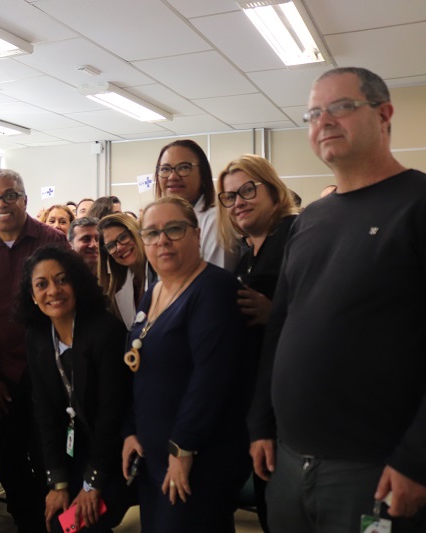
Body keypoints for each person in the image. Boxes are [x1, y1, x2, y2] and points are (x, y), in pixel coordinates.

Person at [249, 67, 426, 532]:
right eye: (313, 113)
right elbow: (280, 327)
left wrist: (417, 458)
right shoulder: (310, 220)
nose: (323, 121)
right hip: (288, 460)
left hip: (376, 467)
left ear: (384, 115)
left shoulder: (418, 205)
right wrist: (260, 422)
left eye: (341, 107)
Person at [121, 197, 250, 532]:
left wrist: (183, 448)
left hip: (196, 457)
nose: (162, 240)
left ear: (196, 234)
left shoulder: (215, 288)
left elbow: (211, 379)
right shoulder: (154, 290)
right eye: (151, 233)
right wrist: (130, 430)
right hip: (153, 453)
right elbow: (139, 370)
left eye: (174, 229)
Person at [0, 168, 71, 531]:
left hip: (54, 373)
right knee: (9, 460)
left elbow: (73, 308)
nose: (2, 204)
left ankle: (61, 525)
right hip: (6, 378)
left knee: (54, 460)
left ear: (25, 200)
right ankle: (29, 524)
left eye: (10, 195)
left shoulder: (54, 242)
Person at [18, 245, 132, 533]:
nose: (53, 291)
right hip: (76, 448)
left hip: (118, 452)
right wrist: (57, 483)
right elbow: (45, 413)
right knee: (59, 519)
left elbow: (111, 414)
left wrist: (92, 482)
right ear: (32, 295)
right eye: (41, 284)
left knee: (80, 523)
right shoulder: (37, 337)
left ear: (77, 284)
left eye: (62, 280)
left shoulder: (106, 331)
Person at [216, 154, 299, 532]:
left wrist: (274, 313)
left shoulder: (295, 235)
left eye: (248, 190)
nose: (238, 202)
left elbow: (322, 312)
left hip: (291, 397)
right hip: (258, 397)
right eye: (230, 196)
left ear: (274, 190)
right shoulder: (247, 253)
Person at [154, 139, 237, 271]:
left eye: (184, 167)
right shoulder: (160, 222)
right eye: (165, 169)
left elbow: (215, 279)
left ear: (202, 174)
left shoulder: (215, 220)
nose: (172, 176)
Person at [97, 213, 149, 327]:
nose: (119, 247)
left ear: (136, 233)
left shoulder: (163, 274)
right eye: (111, 246)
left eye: (123, 237)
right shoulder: (116, 291)